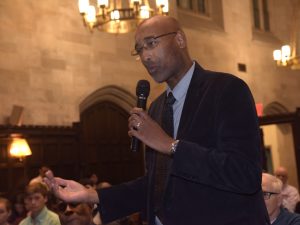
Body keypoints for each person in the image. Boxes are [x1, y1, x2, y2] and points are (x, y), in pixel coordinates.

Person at [44, 15, 268, 225]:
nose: (145, 56)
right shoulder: (157, 107)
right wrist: (91, 195)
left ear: (179, 39)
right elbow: (156, 185)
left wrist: (170, 145)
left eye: (151, 43)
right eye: (139, 50)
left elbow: (244, 173)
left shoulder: (226, 90)